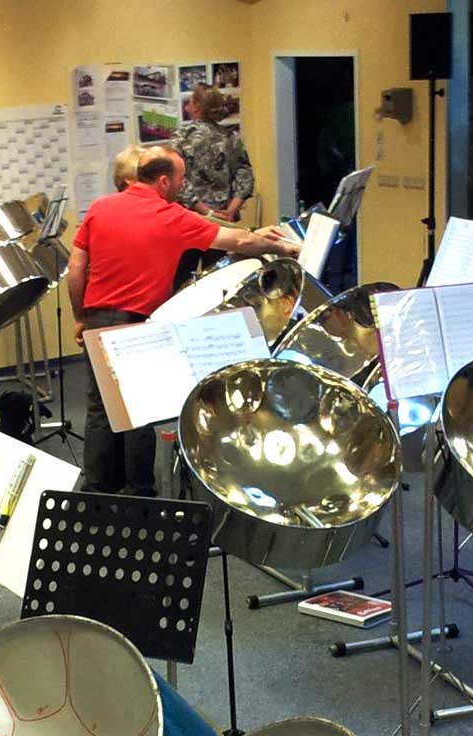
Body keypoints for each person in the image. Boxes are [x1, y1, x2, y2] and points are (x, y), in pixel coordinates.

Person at [66, 147, 299, 495]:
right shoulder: (170, 215)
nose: (183, 185)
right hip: (137, 321)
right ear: (163, 180)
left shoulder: (100, 208)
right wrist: (284, 249)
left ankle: (97, 491)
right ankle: (139, 492)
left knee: (101, 408)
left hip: (99, 317)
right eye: (180, 178)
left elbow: (76, 269)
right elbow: (237, 240)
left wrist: (80, 316)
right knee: (137, 410)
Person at [172, 86, 253, 223]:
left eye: (189, 102)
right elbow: (244, 175)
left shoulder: (182, 137)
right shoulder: (231, 136)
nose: (186, 107)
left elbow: (176, 177)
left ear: (196, 107)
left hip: (193, 215)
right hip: (225, 214)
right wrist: (231, 210)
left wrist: (206, 211)